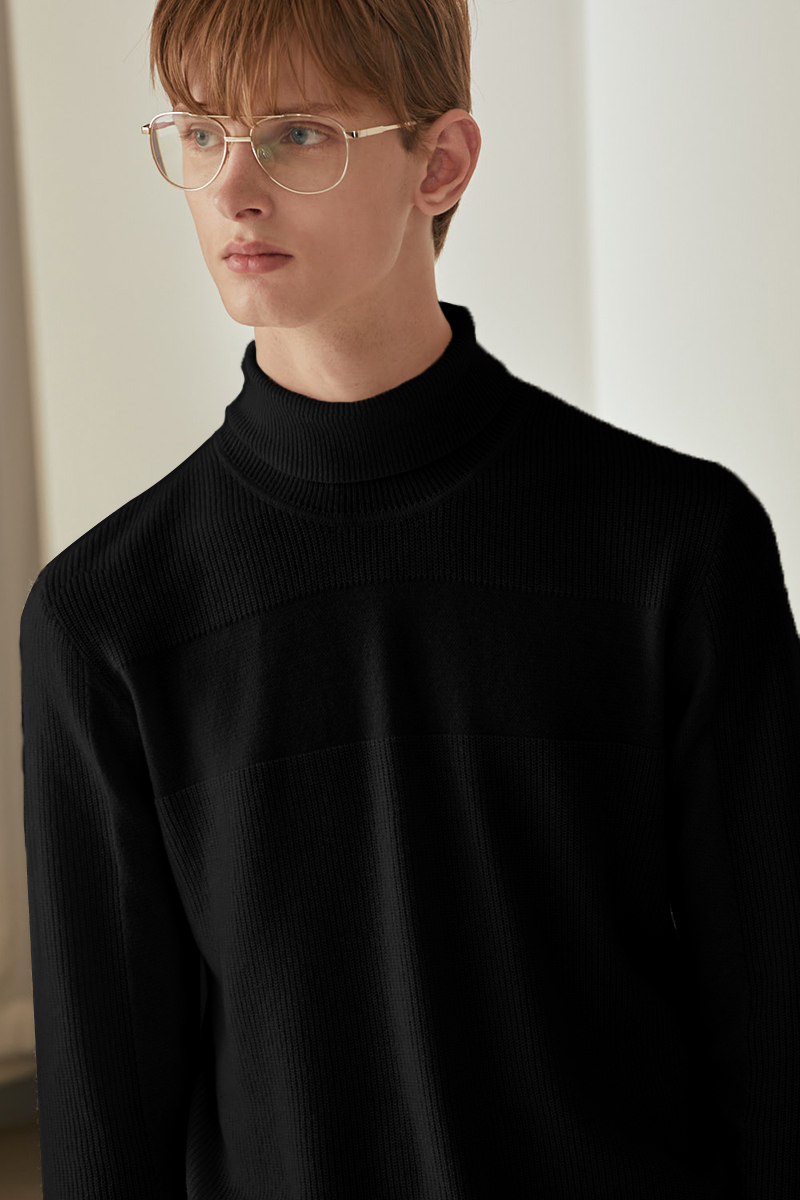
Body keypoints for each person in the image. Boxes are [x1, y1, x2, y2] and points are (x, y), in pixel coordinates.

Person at [20, 0, 800, 1197]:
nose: (232, 191)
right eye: (202, 133)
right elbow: (104, 1123)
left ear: (438, 163)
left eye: (295, 135)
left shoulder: (674, 549)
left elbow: (772, 1034)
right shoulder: (110, 616)